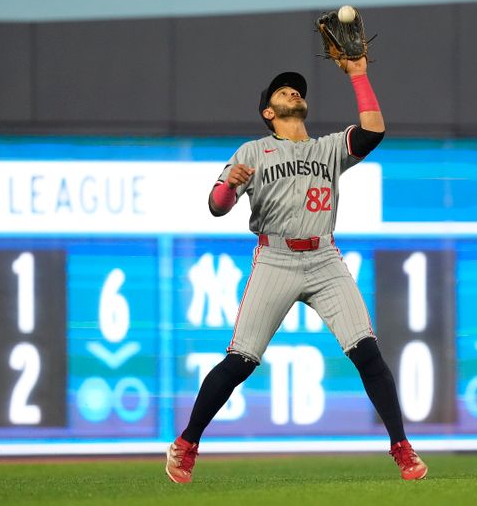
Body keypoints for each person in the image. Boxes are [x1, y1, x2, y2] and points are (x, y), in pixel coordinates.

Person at [165, 57, 428, 483]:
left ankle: (401, 446)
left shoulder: (326, 148)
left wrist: (358, 74)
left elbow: (374, 131)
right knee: (241, 361)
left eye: (296, 88)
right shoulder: (254, 150)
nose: (293, 91)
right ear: (268, 112)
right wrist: (229, 184)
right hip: (276, 257)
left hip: (324, 257)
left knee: (367, 352)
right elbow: (216, 207)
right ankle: (187, 444)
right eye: (282, 90)